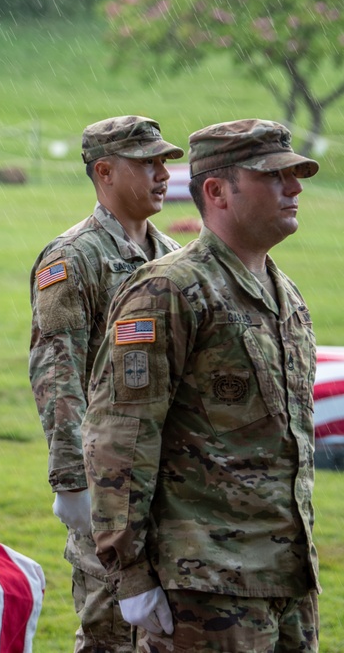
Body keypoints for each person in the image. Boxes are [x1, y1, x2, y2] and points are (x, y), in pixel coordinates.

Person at [81, 119, 320, 652]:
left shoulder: (287, 296)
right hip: (204, 588)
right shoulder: (171, 290)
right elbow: (120, 435)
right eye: (275, 177)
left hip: (287, 579)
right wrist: (132, 574)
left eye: (296, 175)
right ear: (216, 191)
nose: (296, 188)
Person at [28, 115, 184, 652]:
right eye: (148, 164)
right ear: (105, 172)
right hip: (107, 481)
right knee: (109, 633)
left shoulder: (171, 256)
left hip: (167, 476)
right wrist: (71, 478)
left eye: (165, 162)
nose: (164, 174)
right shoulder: (74, 258)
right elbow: (56, 368)